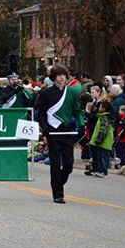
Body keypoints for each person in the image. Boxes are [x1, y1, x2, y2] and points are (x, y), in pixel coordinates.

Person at [37, 64, 84, 203]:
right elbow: (41, 114)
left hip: (67, 130)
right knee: (55, 163)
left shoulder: (72, 92)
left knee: (69, 163)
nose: (62, 78)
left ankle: (58, 183)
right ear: (54, 77)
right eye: (59, 75)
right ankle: (58, 193)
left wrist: (81, 125)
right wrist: (45, 128)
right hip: (53, 132)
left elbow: (77, 111)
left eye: (64, 75)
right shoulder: (45, 93)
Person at [84, 83, 109, 176]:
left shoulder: (100, 103)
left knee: (96, 149)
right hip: (91, 127)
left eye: (93, 92)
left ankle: (100, 168)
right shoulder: (94, 102)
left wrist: (87, 113)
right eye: (91, 92)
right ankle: (95, 167)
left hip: (96, 127)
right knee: (93, 149)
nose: (91, 94)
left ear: (99, 93)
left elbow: (94, 115)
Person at [89, 101, 114, 178]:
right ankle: (99, 170)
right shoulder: (100, 117)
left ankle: (104, 171)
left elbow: (103, 130)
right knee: (99, 157)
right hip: (101, 143)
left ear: (104, 109)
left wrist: (98, 140)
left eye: (100, 107)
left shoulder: (104, 118)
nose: (99, 108)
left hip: (104, 142)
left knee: (104, 157)